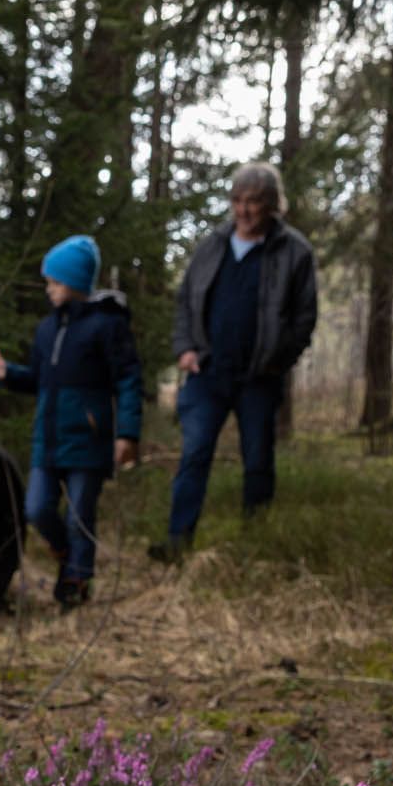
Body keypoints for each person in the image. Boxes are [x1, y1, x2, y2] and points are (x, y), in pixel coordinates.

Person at [153, 162, 320, 559]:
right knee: (194, 455)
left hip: (260, 378)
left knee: (258, 462)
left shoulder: (294, 251)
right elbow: (185, 302)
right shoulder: (212, 245)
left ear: (272, 205)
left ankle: (255, 545)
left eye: (254, 202)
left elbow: (304, 318)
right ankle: (178, 543)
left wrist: (280, 359)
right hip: (207, 373)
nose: (244, 211)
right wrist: (185, 348)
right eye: (238, 201)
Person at [0, 235, 141, 611]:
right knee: (36, 508)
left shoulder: (107, 326)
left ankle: (76, 583)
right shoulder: (47, 329)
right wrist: (10, 374)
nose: (49, 289)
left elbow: (129, 380)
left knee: (81, 513)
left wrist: (127, 433)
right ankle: (67, 554)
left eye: (54, 282)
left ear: (76, 283)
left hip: (89, 438)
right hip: (48, 438)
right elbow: (39, 378)